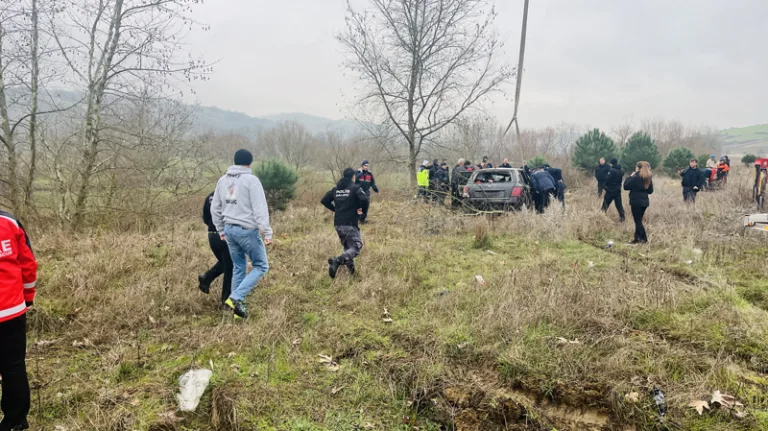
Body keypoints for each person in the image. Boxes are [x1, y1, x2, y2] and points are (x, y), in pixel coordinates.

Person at [211, 149, 272, 319]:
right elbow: (260, 208)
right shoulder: (251, 180)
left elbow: (214, 207)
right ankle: (236, 298)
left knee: (239, 267)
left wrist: (220, 229)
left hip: (229, 230)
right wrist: (267, 232)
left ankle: (236, 311)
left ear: (235, 161)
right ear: (250, 163)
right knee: (261, 266)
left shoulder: (222, 180)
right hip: (247, 230)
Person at [0, 210, 38, 431]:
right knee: (14, 367)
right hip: (11, 311)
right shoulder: (10, 223)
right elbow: (28, 264)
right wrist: (27, 297)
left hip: (11, 309)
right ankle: (15, 421)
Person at [321, 168, 370, 278]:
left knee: (348, 249)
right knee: (357, 246)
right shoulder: (355, 188)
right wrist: (363, 212)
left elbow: (324, 200)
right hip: (350, 223)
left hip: (338, 223)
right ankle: (337, 261)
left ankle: (352, 274)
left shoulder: (336, 189)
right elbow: (365, 199)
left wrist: (335, 209)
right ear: (353, 176)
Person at [199, 191, 233, 307]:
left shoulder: (210, 196)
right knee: (230, 267)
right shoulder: (231, 195)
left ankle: (206, 278)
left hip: (212, 235)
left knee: (226, 263)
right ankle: (226, 302)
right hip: (225, 234)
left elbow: (205, 218)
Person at [623, 161, 654, 244]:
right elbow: (650, 191)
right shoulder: (648, 177)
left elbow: (626, 187)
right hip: (645, 201)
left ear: (638, 168)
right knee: (638, 220)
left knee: (638, 221)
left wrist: (630, 177)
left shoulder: (635, 177)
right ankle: (637, 238)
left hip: (636, 201)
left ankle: (644, 239)